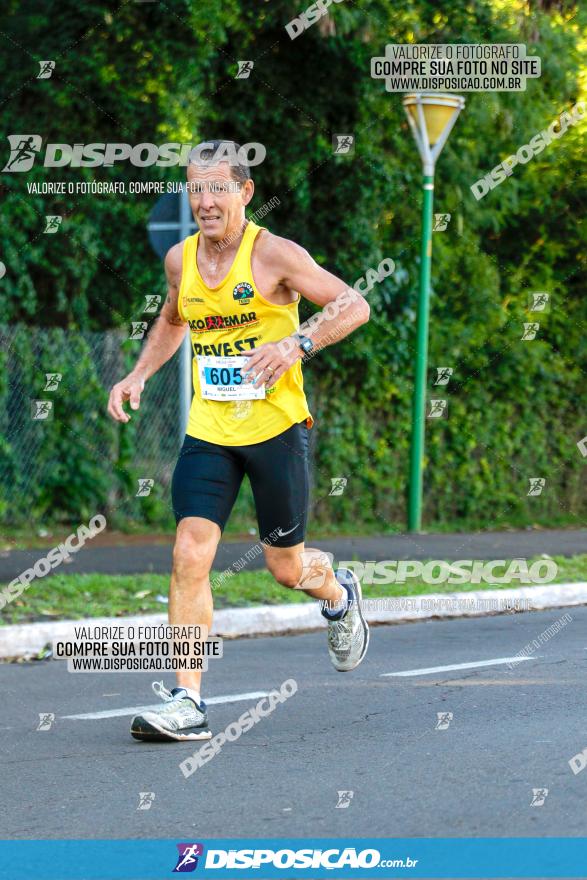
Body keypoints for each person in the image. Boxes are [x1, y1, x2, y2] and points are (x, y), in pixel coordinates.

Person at [107, 140, 370, 742]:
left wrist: (295, 344)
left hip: (277, 431)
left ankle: (337, 592)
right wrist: (139, 373)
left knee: (285, 567)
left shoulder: (275, 255)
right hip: (210, 432)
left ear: (245, 193)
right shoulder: (181, 260)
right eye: (195, 188)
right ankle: (186, 699)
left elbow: (354, 305)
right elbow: (174, 319)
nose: (205, 201)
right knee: (189, 554)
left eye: (217, 187)